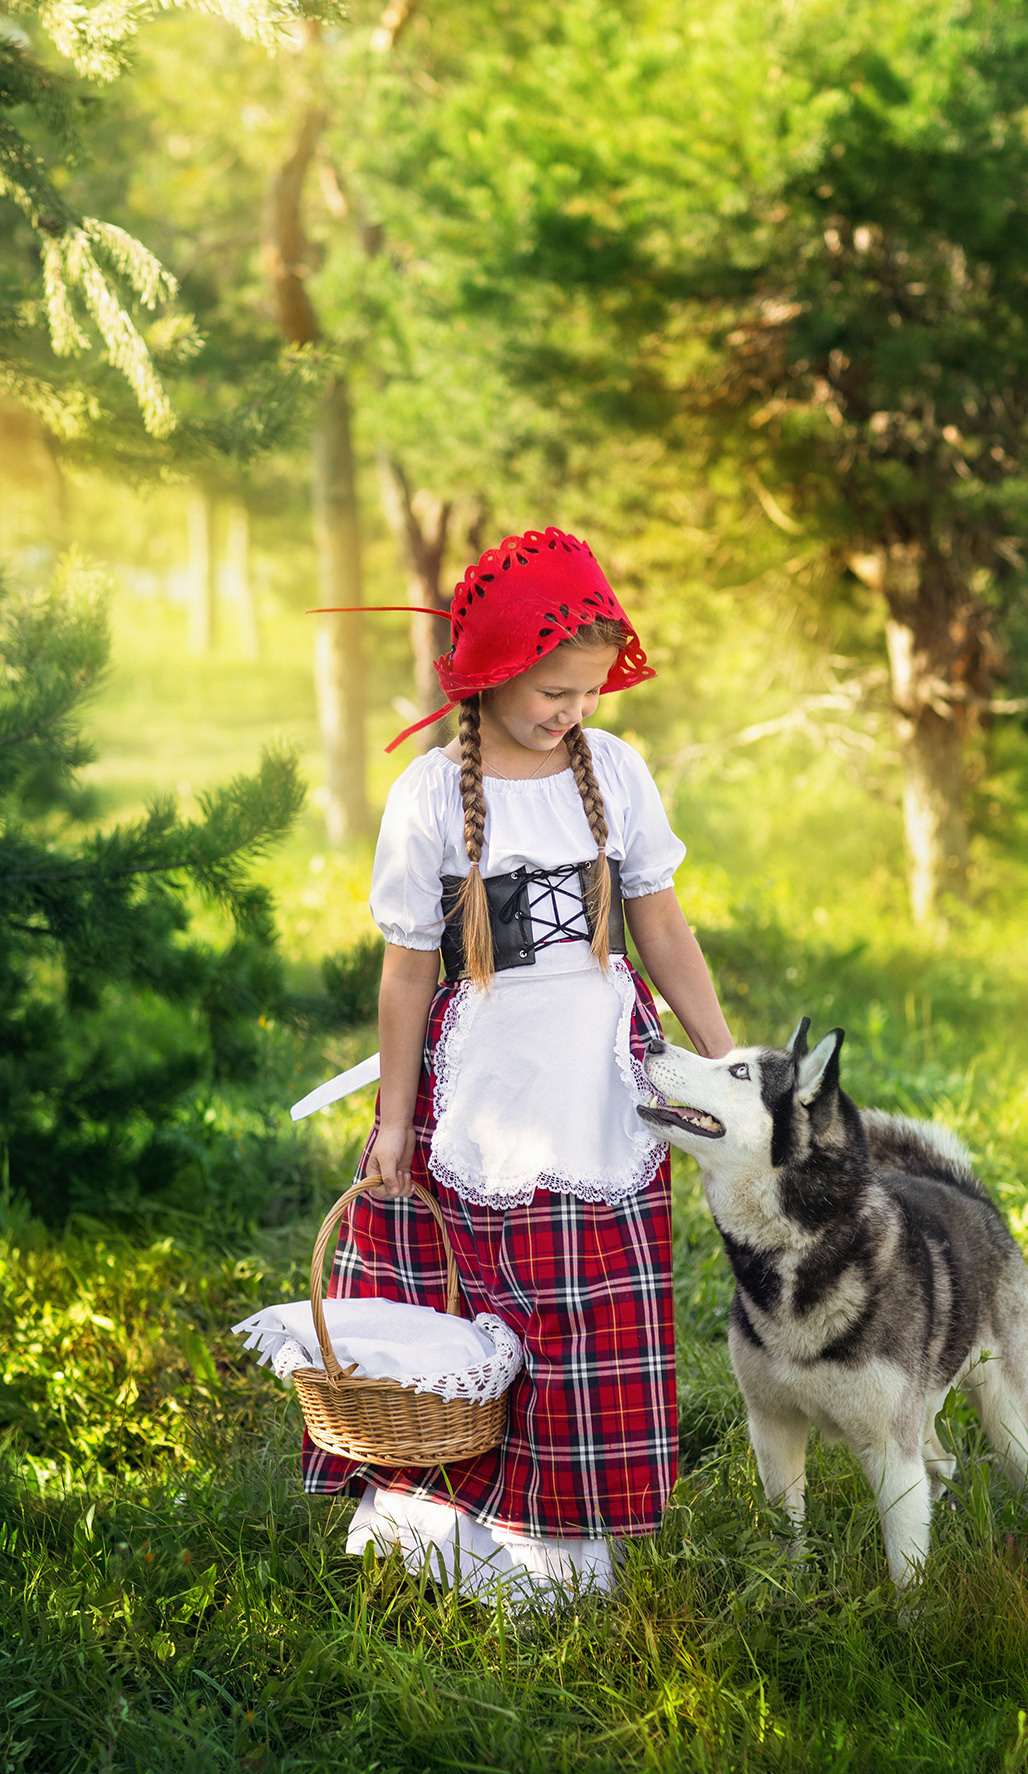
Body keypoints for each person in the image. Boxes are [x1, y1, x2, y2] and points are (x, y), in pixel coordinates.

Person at [302, 527, 732, 1599]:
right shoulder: (430, 796)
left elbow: (663, 932)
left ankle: (562, 1540)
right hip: (483, 1082)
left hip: (595, 1074)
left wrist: (722, 1060)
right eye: (551, 689)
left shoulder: (615, 771)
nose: (570, 711)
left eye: (587, 691)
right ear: (491, 669)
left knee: (581, 1307)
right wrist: (394, 1121)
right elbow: (407, 975)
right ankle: (441, 1522)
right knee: (473, 1301)